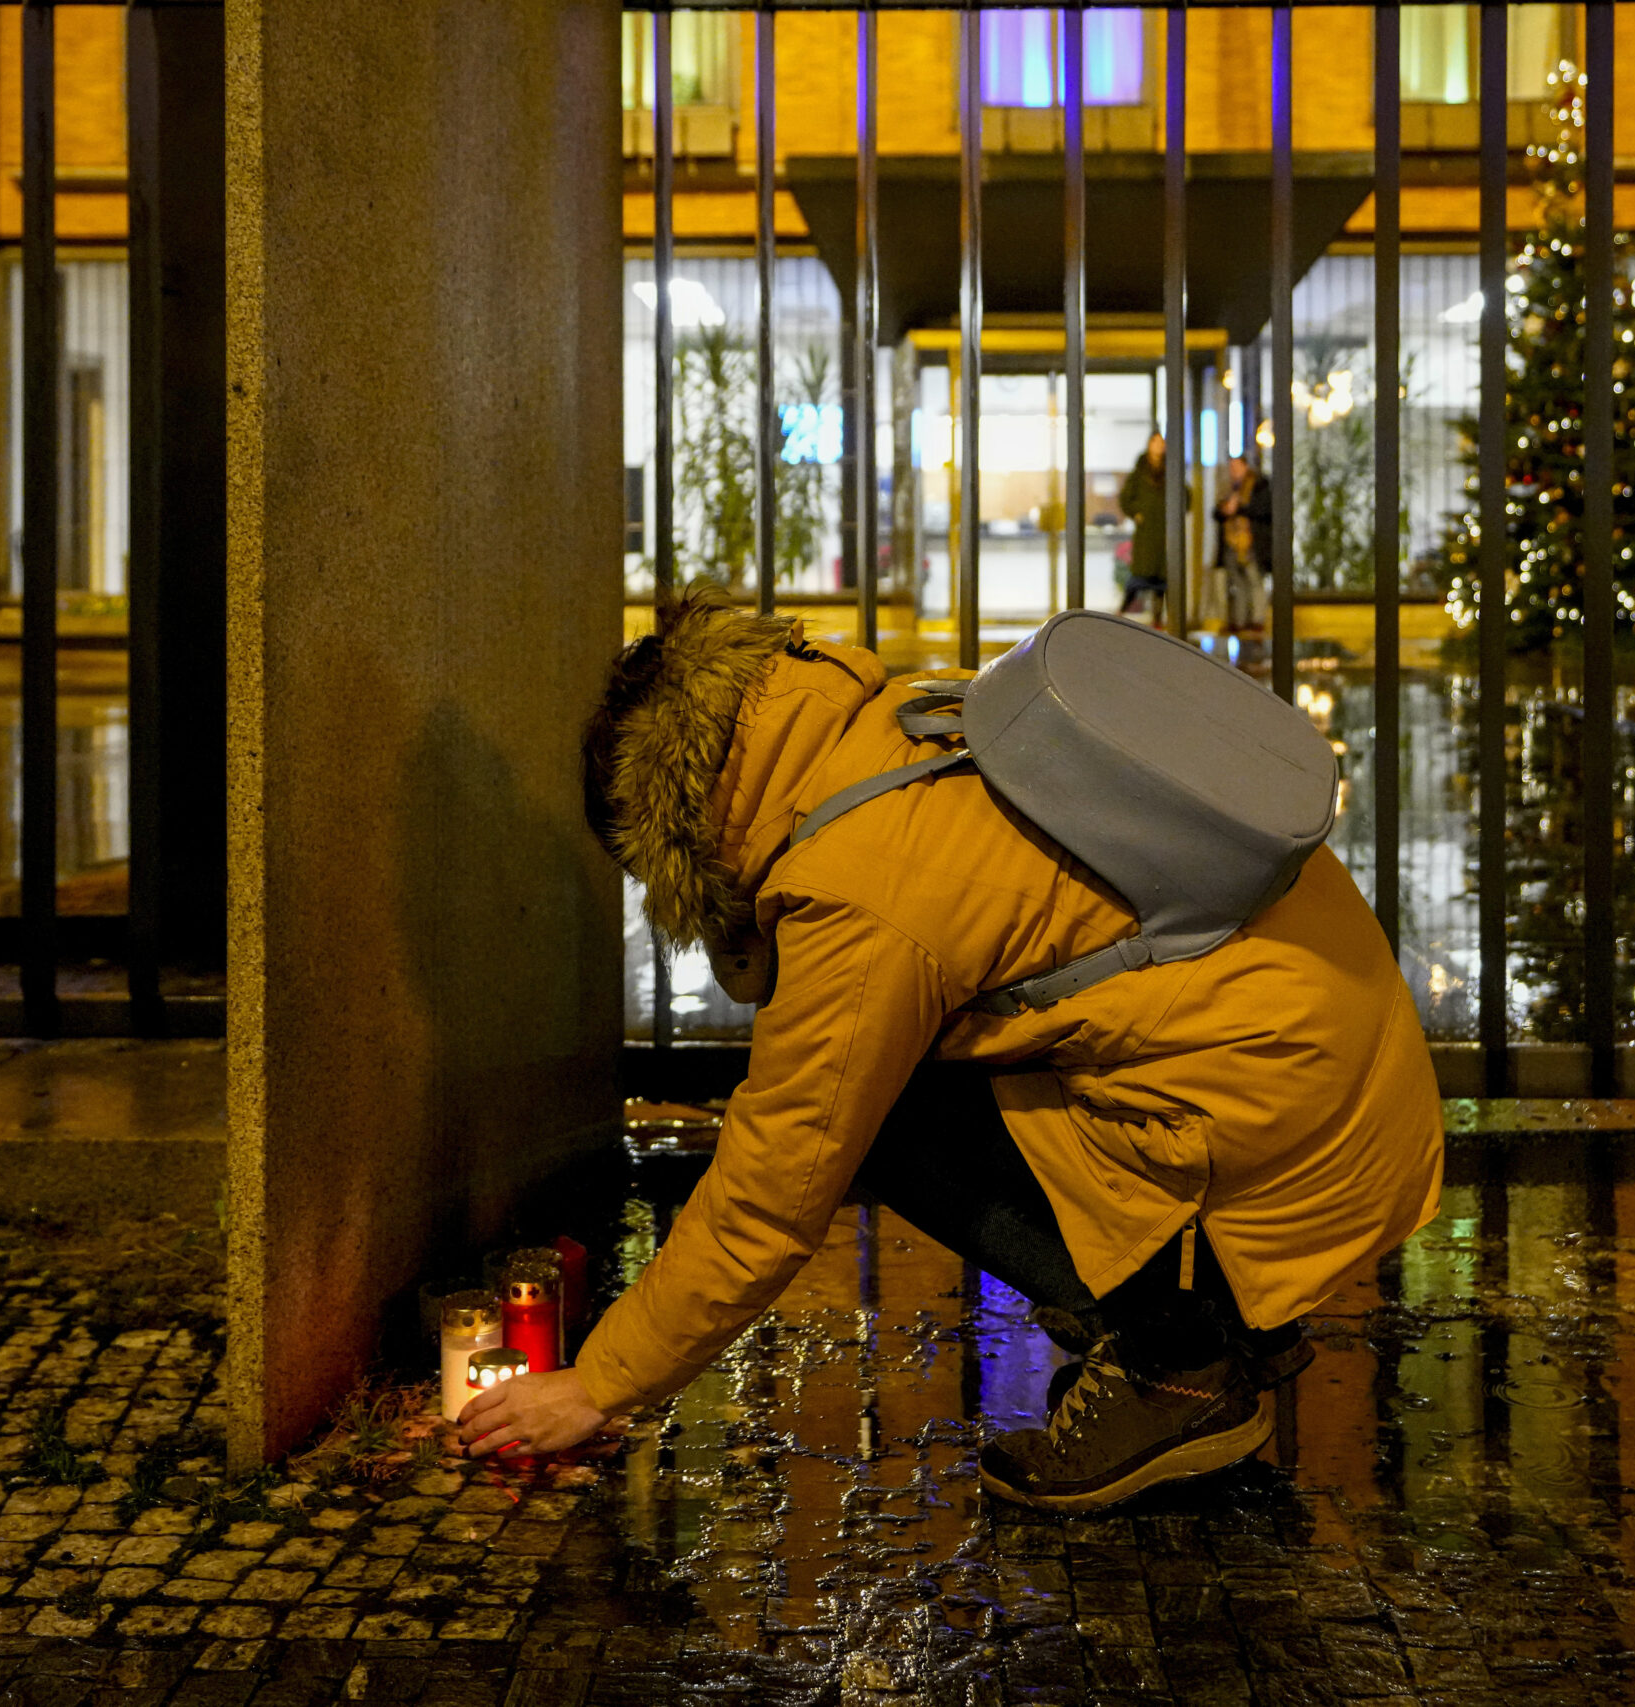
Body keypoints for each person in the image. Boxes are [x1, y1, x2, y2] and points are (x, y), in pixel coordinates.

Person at [458, 592, 1443, 1512]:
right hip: (1330, 1062)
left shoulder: (854, 890)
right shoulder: (886, 726)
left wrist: (598, 1383)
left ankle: (1179, 1362)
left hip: (1280, 1113)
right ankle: (1228, 1320)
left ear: (677, 836)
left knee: (880, 1120)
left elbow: (772, 1187)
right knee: (910, 1062)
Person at [1213, 455, 1274, 635]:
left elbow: (1263, 509)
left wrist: (1237, 509)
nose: (1233, 471)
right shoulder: (1228, 488)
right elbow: (1216, 512)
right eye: (1231, 468)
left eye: (1236, 467)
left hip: (1252, 543)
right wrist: (1226, 509)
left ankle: (1257, 620)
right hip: (1231, 544)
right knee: (1237, 583)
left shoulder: (1260, 485)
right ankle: (1240, 621)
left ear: (1246, 467)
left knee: (1254, 580)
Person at [1116, 435, 1169, 627]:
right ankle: (1120, 613)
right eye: (1156, 442)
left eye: (1162, 443)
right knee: (1138, 578)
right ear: (1149, 445)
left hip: (1164, 534)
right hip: (1146, 534)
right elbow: (1125, 499)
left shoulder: (1169, 471)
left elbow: (1185, 495)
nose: (1159, 446)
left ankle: (1157, 618)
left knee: (1162, 580)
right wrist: (1137, 513)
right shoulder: (1139, 473)